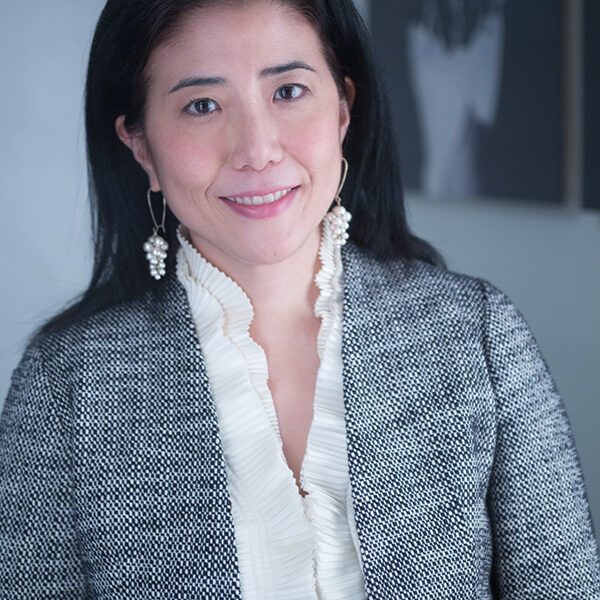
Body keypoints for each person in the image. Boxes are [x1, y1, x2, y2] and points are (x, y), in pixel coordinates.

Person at [0, 0, 598, 598]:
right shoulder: (65, 385)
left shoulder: (477, 334)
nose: (257, 150)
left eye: (288, 91)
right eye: (202, 105)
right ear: (142, 147)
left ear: (341, 111)